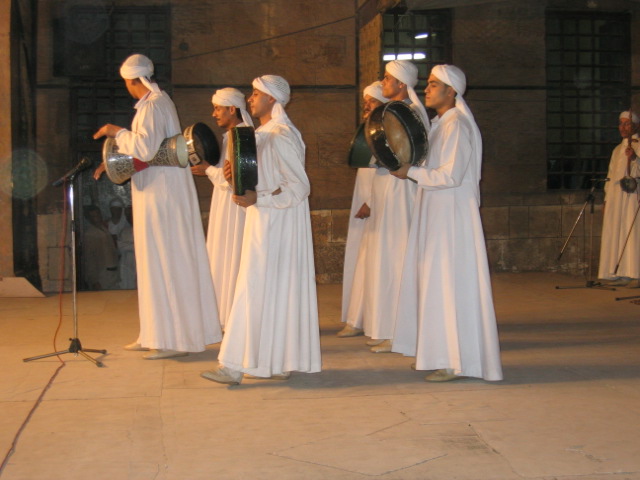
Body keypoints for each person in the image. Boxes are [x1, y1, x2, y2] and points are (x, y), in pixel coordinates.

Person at [93, 53, 222, 359]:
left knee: (167, 262)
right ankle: (154, 333)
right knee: (154, 264)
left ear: (131, 81)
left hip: (162, 194)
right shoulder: (157, 103)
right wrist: (112, 161)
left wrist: (116, 131)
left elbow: (145, 148)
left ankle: (175, 340)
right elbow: (147, 150)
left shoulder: (153, 105)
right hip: (156, 189)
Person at [201, 75, 321, 385]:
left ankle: (232, 366)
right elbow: (258, 180)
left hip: (278, 223)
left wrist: (260, 199)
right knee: (268, 290)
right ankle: (275, 361)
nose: (250, 99)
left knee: (252, 288)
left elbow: (299, 187)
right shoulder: (260, 135)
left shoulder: (281, 134)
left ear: (272, 99)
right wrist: (234, 178)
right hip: (262, 221)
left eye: (256, 94)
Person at [390, 64, 503, 382]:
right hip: (436, 212)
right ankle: (439, 353)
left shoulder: (457, 125)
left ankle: (456, 360)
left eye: (433, 84)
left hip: (451, 216)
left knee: (450, 284)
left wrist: (410, 172)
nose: (426, 89)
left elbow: (450, 176)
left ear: (451, 91)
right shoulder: (441, 124)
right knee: (435, 284)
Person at [360, 60, 426, 353]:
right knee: (385, 260)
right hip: (387, 188)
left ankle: (402, 332)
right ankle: (387, 326)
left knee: (399, 260)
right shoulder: (391, 111)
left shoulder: (409, 112)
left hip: (402, 191)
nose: (383, 82)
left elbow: (412, 156)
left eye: (388, 79)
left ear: (401, 84)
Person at [190, 88, 254, 328]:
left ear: (232, 109)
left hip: (234, 209)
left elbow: (234, 178)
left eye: (218, 108)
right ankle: (221, 314)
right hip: (223, 206)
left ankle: (233, 317)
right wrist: (210, 169)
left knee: (232, 256)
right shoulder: (230, 136)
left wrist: (207, 169)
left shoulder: (241, 135)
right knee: (221, 256)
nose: (214, 113)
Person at [337, 81, 387, 337]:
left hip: (380, 204)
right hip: (366, 198)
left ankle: (371, 319)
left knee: (374, 260)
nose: (366, 107)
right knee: (361, 258)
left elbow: (388, 174)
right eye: (365, 102)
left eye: (372, 102)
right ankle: (357, 316)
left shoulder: (389, 132)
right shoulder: (370, 131)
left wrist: (372, 201)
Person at [598, 111, 640, 288]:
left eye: (626, 123)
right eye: (620, 123)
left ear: (635, 126)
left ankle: (635, 273)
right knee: (616, 232)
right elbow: (610, 176)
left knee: (632, 234)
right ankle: (618, 272)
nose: (622, 127)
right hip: (616, 198)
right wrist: (607, 200)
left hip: (633, 197)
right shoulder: (616, 150)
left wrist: (635, 158)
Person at [82, 204, 119, 290]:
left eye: (98, 214)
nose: (98, 218)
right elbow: (89, 258)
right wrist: (94, 280)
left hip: (113, 272)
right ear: (89, 219)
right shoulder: (90, 234)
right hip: (102, 275)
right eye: (94, 216)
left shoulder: (104, 229)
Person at [117, 205, 136, 289]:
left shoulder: (145, 230)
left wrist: (129, 245)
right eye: (127, 215)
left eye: (130, 214)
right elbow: (120, 247)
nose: (129, 217)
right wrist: (133, 246)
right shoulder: (124, 231)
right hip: (127, 264)